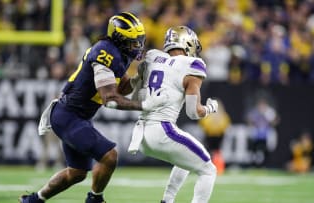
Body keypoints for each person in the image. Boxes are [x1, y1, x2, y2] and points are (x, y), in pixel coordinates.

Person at [19, 12, 167, 203]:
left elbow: (121, 88)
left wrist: (139, 77)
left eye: (139, 40)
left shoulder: (119, 53)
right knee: (110, 156)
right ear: (119, 39)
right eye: (133, 41)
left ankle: (34, 200)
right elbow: (110, 98)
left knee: (77, 173)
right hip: (68, 116)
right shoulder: (105, 53)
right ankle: (95, 199)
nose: (138, 46)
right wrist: (145, 105)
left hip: (76, 116)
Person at [128, 26, 218, 203]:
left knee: (184, 158)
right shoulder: (191, 65)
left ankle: (167, 201)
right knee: (208, 169)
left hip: (141, 134)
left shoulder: (153, 57)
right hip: (162, 130)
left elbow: (135, 95)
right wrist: (210, 109)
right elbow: (193, 112)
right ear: (187, 43)